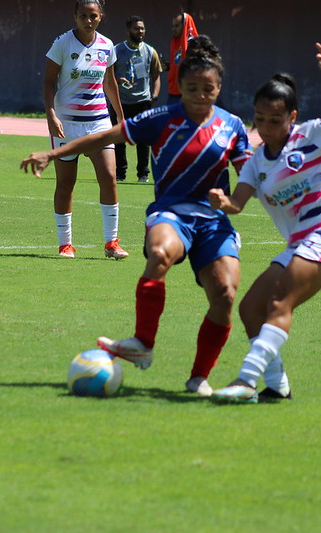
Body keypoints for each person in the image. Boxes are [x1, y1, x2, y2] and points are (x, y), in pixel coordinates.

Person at [22, 36, 252, 397]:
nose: (199, 95)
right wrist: (54, 155)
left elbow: (250, 175)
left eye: (208, 89)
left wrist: (233, 203)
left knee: (224, 294)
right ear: (180, 88)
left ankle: (198, 378)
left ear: (219, 87)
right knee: (159, 253)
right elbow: (103, 136)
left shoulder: (232, 126)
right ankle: (143, 342)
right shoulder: (161, 118)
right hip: (171, 212)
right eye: (191, 88)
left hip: (212, 220)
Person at [207, 39, 321, 403]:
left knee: (280, 303)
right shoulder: (255, 161)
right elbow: (238, 203)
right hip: (300, 244)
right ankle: (277, 386)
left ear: (292, 117)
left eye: (275, 120)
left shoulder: (314, 135)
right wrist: (222, 202)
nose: (266, 127)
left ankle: (246, 381)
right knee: (251, 308)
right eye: (260, 119)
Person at [42, 0, 128, 259]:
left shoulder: (107, 45)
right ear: (75, 16)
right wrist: (51, 115)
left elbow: (110, 82)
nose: (88, 20)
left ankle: (111, 242)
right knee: (66, 183)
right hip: (66, 124)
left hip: (98, 122)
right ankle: (65, 244)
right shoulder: (62, 43)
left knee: (109, 177)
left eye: (93, 16)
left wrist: (121, 118)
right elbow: (48, 82)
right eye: (83, 16)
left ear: (101, 16)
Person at [111, 16, 163, 183]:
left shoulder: (150, 51)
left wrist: (154, 96)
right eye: (136, 28)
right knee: (119, 139)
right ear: (128, 30)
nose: (140, 31)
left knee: (143, 140)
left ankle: (143, 174)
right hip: (121, 102)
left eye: (142, 28)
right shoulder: (117, 50)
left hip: (143, 102)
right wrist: (118, 81)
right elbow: (109, 75)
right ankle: (120, 173)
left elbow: (156, 75)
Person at [166, 12, 199, 105]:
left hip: (187, 94)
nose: (173, 29)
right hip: (173, 92)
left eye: (176, 26)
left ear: (185, 26)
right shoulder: (176, 42)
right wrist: (170, 66)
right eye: (173, 26)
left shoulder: (194, 45)